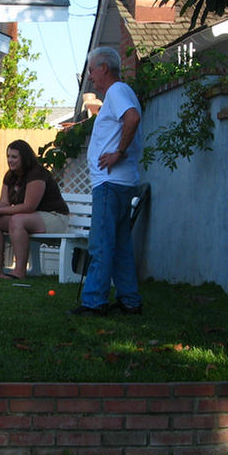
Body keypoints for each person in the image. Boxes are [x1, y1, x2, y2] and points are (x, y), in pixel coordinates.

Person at [69, 47, 144, 316]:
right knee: (121, 245)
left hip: (110, 184)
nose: (90, 78)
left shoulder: (116, 91)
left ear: (103, 68)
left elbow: (132, 118)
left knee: (101, 244)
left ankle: (94, 302)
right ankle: (129, 301)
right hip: (120, 183)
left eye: (91, 71)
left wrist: (118, 153)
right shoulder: (118, 94)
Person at [0, 139, 69, 280]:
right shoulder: (10, 176)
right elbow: (4, 202)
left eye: (14, 157)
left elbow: (29, 206)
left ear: (24, 157)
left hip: (55, 217)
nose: (10, 160)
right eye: (8, 156)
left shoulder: (36, 174)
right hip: (33, 217)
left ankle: (19, 271)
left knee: (17, 220)